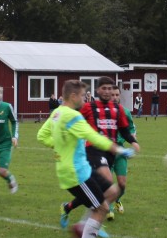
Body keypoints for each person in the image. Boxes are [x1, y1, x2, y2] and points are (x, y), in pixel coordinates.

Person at [37, 79, 135, 238]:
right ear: (73, 96)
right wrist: (119, 149)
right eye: (82, 95)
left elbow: (41, 135)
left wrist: (59, 144)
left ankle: (82, 226)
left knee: (113, 191)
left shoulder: (57, 113)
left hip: (82, 168)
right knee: (102, 208)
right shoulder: (73, 116)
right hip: (76, 173)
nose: (85, 98)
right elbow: (93, 137)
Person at [59, 77, 139, 227]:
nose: (109, 92)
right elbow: (74, 119)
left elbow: (124, 129)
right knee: (107, 182)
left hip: (114, 151)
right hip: (94, 150)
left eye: (112, 90)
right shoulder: (89, 107)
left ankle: (71, 208)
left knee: (117, 185)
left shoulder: (119, 110)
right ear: (98, 90)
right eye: (105, 88)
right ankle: (98, 217)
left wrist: (134, 142)